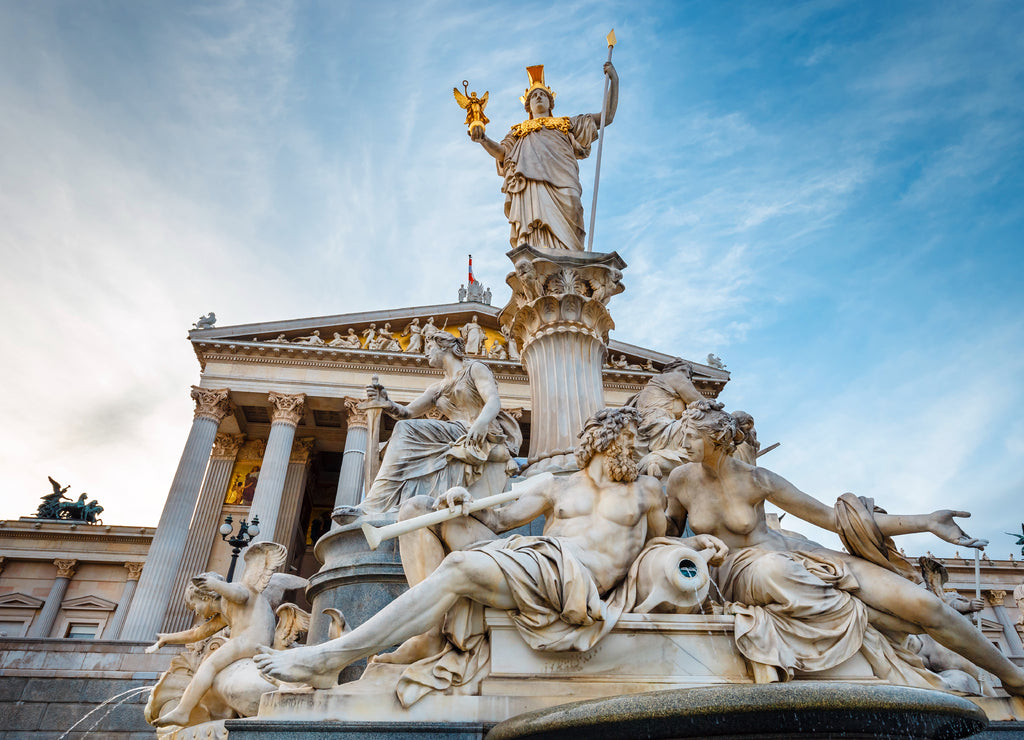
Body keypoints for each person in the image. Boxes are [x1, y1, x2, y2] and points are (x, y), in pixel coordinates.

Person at [254, 407, 724, 699]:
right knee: (419, 509)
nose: (635, 450)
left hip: (574, 580)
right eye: (629, 441)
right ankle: (432, 635)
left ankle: (331, 658)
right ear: (607, 440)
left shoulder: (645, 491)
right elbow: (496, 522)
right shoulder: (555, 485)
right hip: (539, 558)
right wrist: (458, 499)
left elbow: (660, 541)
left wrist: (696, 545)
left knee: (460, 566)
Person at [664, 399, 1024, 696]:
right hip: (745, 571)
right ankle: (878, 621)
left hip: (801, 553)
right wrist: (681, 532)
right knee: (781, 572)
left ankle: (1013, 677)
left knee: (926, 604)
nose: (683, 443)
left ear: (715, 439)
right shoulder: (680, 481)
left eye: (691, 436)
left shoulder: (757, 479)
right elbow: (665, 535)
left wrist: (926, 521)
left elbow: (834, 519)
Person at [334, 332, 522, 517]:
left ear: (444, 347)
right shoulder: (437, 388)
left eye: (430, 347)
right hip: (454, 433)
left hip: (476, 433)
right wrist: (387, 403)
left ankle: (373, 504)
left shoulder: (475, 368)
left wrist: (480, 423)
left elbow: (493, 400)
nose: (426, 353)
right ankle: (385, 505)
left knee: (404, 430)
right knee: (385, 448)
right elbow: (407, 413)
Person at [470, 63, 619, 252]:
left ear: (550, 102)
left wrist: (614, 80)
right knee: (536, 228)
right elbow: (502, 152)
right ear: (528, 106)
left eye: (542, 95)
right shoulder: (518, 131)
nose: (538, 97)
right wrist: (483, 139)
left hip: (564, 178)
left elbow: (607, 117)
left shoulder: (567, 123)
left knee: (573, 208)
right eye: (534, 96)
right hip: (531, 184)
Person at [146, 543, 287, 727]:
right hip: (248, 641)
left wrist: (216, 585)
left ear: (205, 596)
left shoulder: (237, 590)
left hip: (251, 640)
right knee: (211, 665)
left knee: (209, 665)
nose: (197, 612)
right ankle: (187, 710)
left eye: (195, 606)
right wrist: (167, 638)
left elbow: (241, 596)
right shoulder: (224, 612)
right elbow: (198, 632)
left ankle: (182, 711)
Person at [627, 358, 704, 478]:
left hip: (645, 435)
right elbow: (701, 402)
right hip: (662, 431)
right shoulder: (675, 377)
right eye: (684, 371)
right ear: (673, 370)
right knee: (706, 425)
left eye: (689, 375)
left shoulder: (649, 387)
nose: (687, 377)